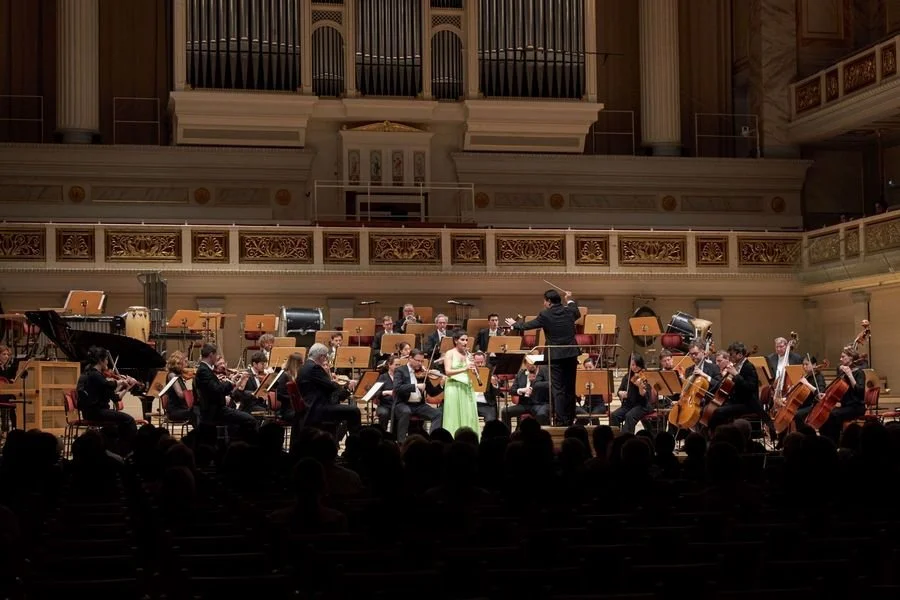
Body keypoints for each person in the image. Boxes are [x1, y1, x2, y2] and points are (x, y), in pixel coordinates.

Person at [506, 289, 580, 426]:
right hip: (571, 354)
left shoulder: (545, 315)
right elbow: (575, 309)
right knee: (570, 387)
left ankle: (561, 420)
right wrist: (569, 298)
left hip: (556, 356)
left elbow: (528, 325)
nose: (544, 303)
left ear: (549, 302)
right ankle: (570, 418)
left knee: (558, 389)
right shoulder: (569, 311)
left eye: (544, 300)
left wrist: (514, 324)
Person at [297, 343, 360, 436]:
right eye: (325, 357)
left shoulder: (304, 366)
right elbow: (330, 386)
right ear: (321, 356)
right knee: (354, 411)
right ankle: (356, 443)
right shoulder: (314, 367)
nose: (325, 360)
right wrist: (343, 385)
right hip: (317, 408)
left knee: (348, 410)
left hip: (311, 405)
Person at [193, 343, 257, 433]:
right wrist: (231, 382)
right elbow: (218, 389)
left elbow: (219, 389)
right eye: (216, 355)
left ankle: (234, 442)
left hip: (217, 409)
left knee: (239, 422)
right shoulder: (204, 370)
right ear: (211, 355)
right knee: (250, 420)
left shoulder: (205, 369)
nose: (216, 357)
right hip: (215, 411)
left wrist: (232, 380)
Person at [707, 342, 768, 433]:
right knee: (709, 408)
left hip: (748, 403)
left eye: (731, 355)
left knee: (718, 412)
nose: (730, 357)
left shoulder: (748, 367)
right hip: (738, 401)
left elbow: (750, 388)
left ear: (740, 355)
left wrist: (735, 375)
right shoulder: (738, 366)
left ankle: (716, 437)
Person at [75, 346, 137, 434]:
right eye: (106, 359)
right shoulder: (94, 374)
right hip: (96, 412)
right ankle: (129, 445)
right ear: (101, 360)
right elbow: (108, 384)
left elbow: (116, 397)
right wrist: (123, 381)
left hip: (97, 412)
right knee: (129, 420)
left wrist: (128, 387)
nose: (107, 362)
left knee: (121, 423)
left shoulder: (96, 375)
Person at [390, 348, 443, 442]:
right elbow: (397, 388)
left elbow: (432, 392)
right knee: (405, 412)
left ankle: (433, 441)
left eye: (422, 361)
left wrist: (441, 385)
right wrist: (415, 386)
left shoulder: (422, 373)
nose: (420, 363)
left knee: (438, 414)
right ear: (410, 358)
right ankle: (401, 442)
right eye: (418, 360)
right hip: (403, 403)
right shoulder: (400, 371)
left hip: (419, 405)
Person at [817, 347, 866, 444]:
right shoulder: (842, 372)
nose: (840, 359)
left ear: (851, 358)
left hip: (856, 406)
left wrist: (850, 375)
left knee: (834, 415)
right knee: (825, 414)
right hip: (845, 406)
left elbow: (860, 392)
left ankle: (834, 443)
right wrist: (826, 395)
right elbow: (837, 389)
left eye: (843, 357)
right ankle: (825, 443)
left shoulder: (859, 373)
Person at [441, 330, 481, 438]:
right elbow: (448, 372)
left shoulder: (468, 354)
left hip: (467, 386)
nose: (465, 342)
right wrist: (465, 368)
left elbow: (474, 372)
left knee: (469, 414)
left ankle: (470, 438)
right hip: (454, 387)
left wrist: (474, 365)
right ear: (455, 341)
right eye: (462, 340)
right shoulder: (450, 353)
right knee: (454, 414)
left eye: (466, 340)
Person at [610, 354, 653, 434]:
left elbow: (645, 396)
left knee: (629, 416)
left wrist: (640, 387)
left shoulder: (645, 377)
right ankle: (615, 437)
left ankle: (626, 438)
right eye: (632, 365)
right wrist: (620, 393)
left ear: (641, 364)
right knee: (614, 416)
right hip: (629, 405)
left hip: (642, 405)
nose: (635, 367)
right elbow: (619, 390)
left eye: (637, 365)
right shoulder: (627, 377)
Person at [791, 355, 827, 428]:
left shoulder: (819, 376)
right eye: (803, 364)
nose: (804, 366)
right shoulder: (807, 376)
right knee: (790, 411)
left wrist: (806, 383)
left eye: (807, 364)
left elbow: (820, 393)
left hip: (813, 405)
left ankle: (803, 435)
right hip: (805, 404)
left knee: (798, 414)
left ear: (814, 365)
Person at [163, 351, 197, 425]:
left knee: (198, 411)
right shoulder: (172, 375)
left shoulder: (178, 376)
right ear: (178, 363)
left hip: (182, 408)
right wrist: (193, 393)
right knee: (197, 412)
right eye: (185, 361)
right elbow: (180, 394)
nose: (187, 364)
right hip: (175, 411)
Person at [0, 344, 19, 432]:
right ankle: (11, 429)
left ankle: (14, 428)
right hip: (1, 395)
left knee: (13, 399)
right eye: (4, 354)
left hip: (5, 394)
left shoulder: (4, 367)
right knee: (11, 400)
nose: (6, 356)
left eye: (8, 355)